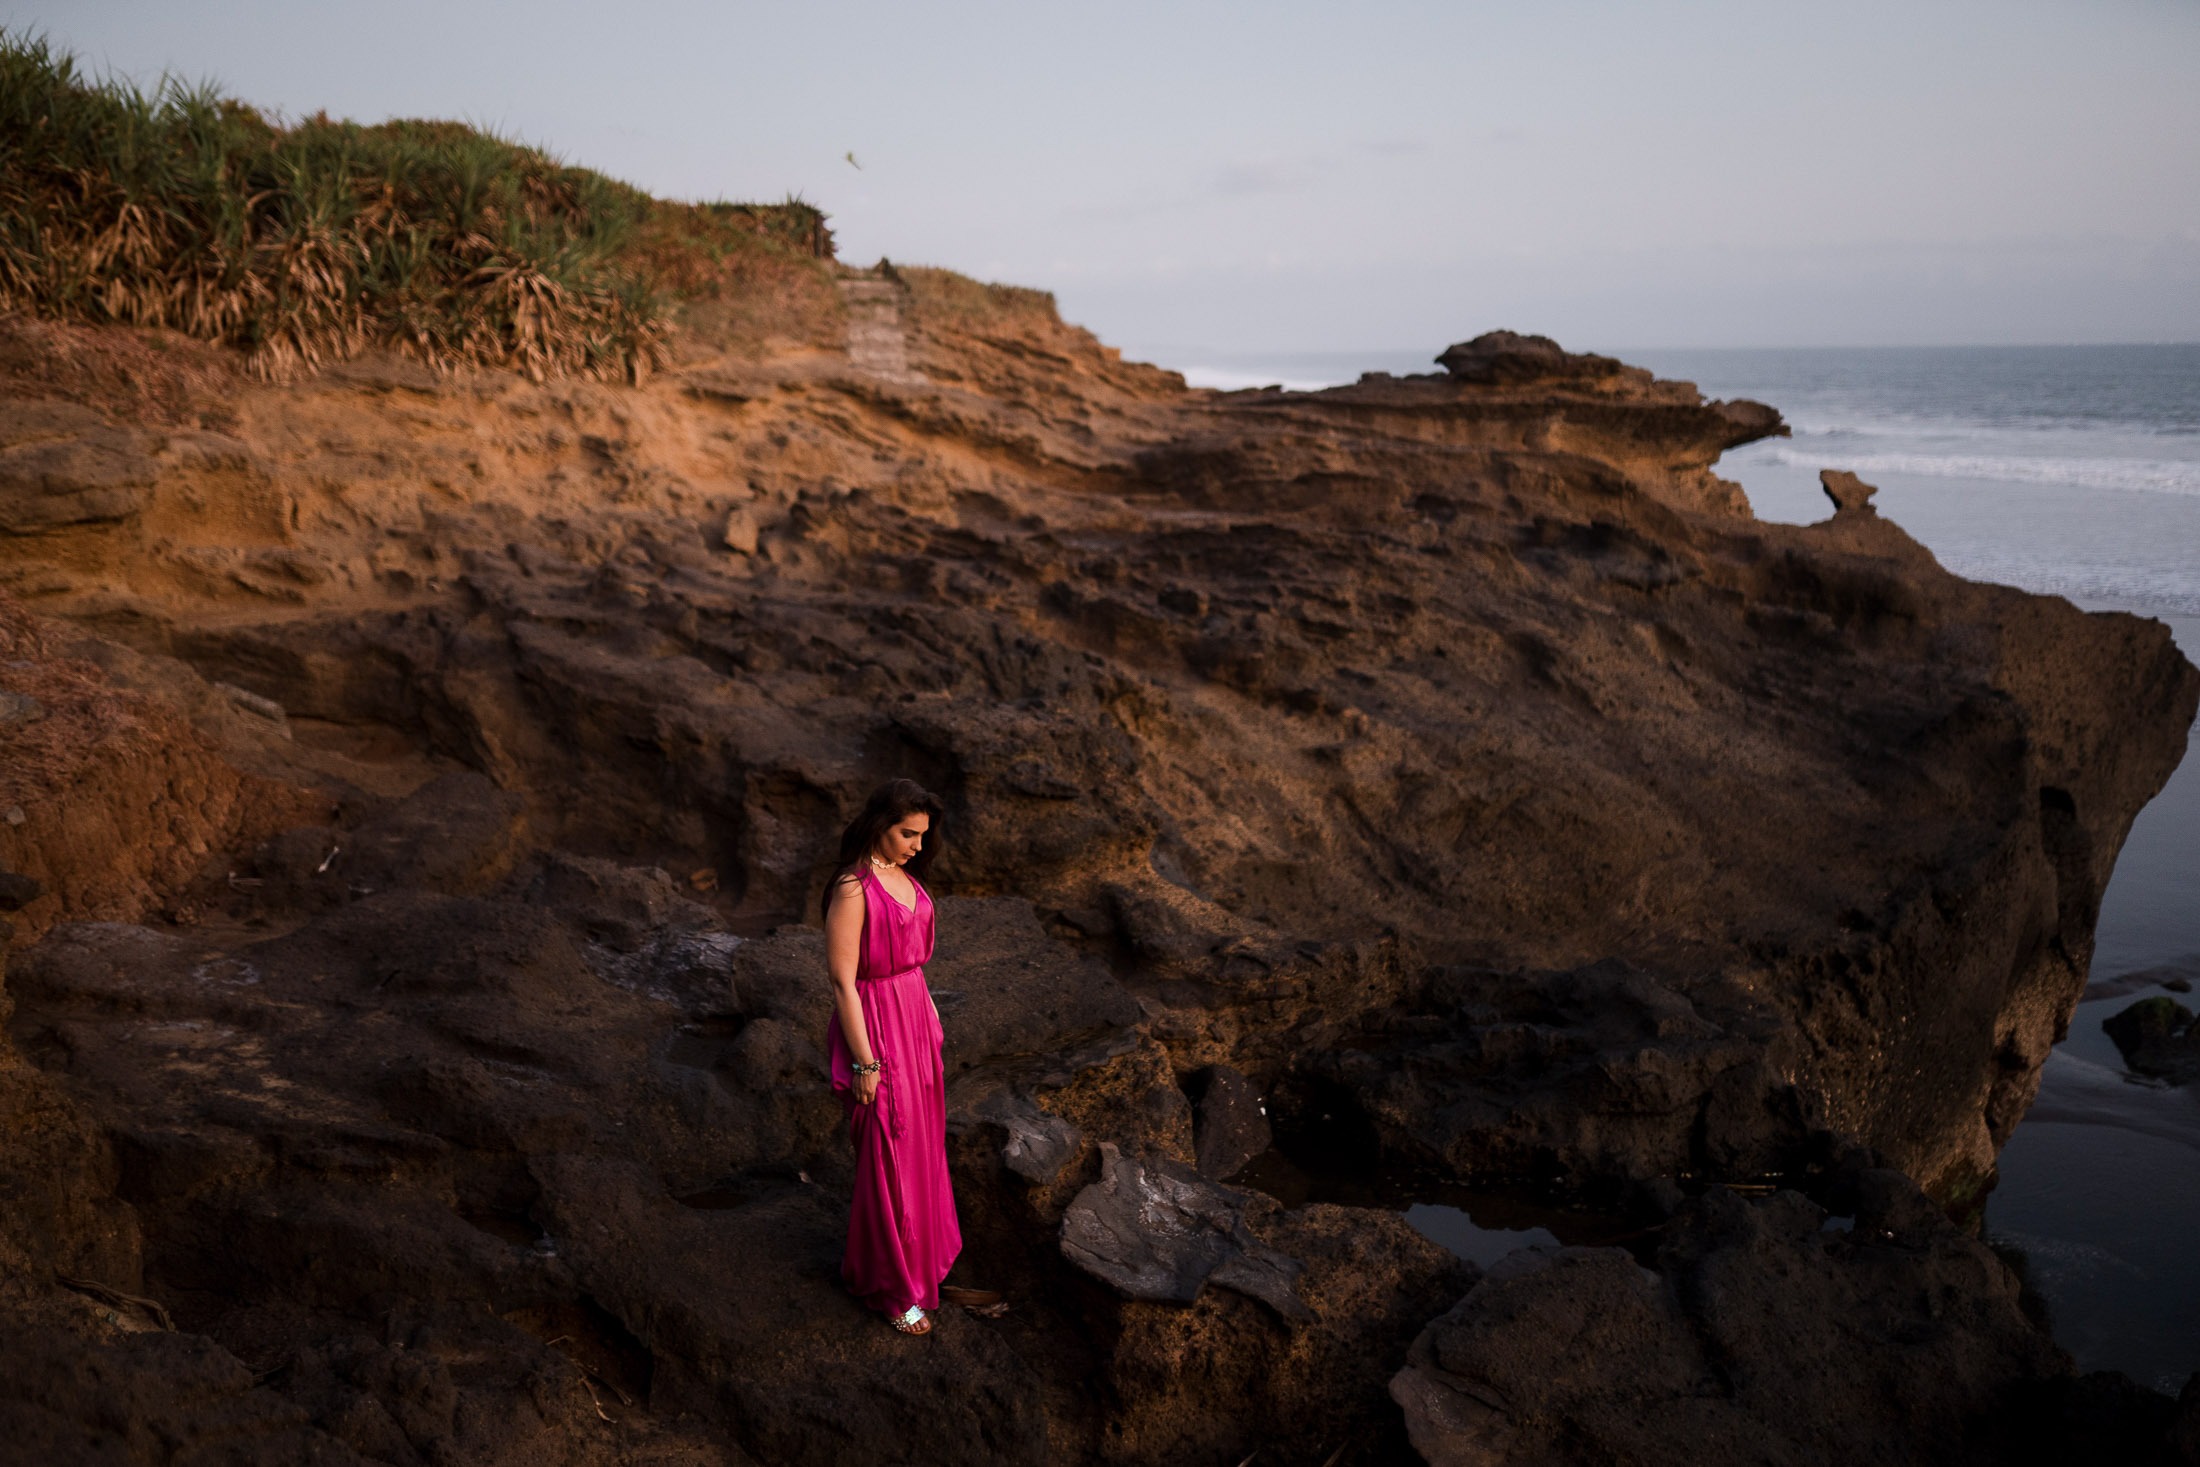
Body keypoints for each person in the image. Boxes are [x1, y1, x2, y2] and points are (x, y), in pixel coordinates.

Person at [820, 778, 961, 1335]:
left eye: (923, 836)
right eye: (908, 834)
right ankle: (892, 1288)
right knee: (889, 1156)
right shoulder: (853, 889)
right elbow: (841, 981)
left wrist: (932, 1023)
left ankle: (921, 1266)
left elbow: (913, 964)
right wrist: (865, 1062)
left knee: (921, 1150)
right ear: (879, 822)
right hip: (875, 1027)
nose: (917, 846)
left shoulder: (905, 878)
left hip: (915, 1022)